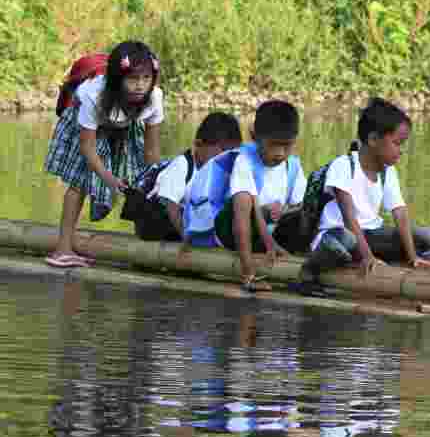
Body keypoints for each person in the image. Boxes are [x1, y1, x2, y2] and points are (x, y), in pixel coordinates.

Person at [295, 98, 430, 296]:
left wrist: (412, 256)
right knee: (341, 242)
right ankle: (309, 271)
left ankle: (374, 260)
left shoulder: (388, 172)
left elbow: (400, 213)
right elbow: (348, 216)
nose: (401, 150)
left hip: (370, 236)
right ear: (373, 140)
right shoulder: (344, 166)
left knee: (426, 238)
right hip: (340, 234)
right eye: (397, 143)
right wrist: (368, 256)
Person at [43, 41, 163, 268]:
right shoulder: (93, 95)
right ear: (118, 79)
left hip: (123, 124)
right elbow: (87, 147)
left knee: (144, 180)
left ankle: (148, 246)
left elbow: (151, 149)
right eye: (133, 79)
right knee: (79, 183)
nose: (140, 86)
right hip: (86, 126)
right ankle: (62, 249)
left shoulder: (154, 97)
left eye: (146, 79)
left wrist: (155, 181)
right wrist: (108, 178)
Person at [182, 100, 306, 292]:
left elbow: (299, 208)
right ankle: (248, 268)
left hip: (264, 230)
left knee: (310, 207)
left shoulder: (293, 166)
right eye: (273, 145)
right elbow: (242, 215)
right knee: (246, 199)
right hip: (223, 230)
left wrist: (283, 215)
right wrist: (248, 271)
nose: (280, 154)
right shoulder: (243, 161)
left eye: (287, 146)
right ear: (255, 137)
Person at [127, 112, 242, 241]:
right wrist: (186, 238)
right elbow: (171, 206)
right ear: (198, 145)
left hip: (183, 217)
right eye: (220, 155)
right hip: (156, 219)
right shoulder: (182, 165)